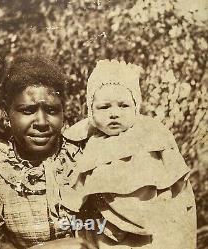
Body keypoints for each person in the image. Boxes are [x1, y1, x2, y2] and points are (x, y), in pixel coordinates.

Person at [0, 55, 96, 249]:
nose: (41, 122)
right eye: (28, 110)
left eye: (51, 109)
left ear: (63, 112)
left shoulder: (88, 157)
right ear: (7, 114)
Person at [62, 59, 197, 248]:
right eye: (104, 107)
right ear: (91, 111)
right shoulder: (88, 139)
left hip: (150, 217)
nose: (114, 113)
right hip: (106, 226)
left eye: (123, 106)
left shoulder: (151, 133)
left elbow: (173, 184)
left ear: (136, 107)